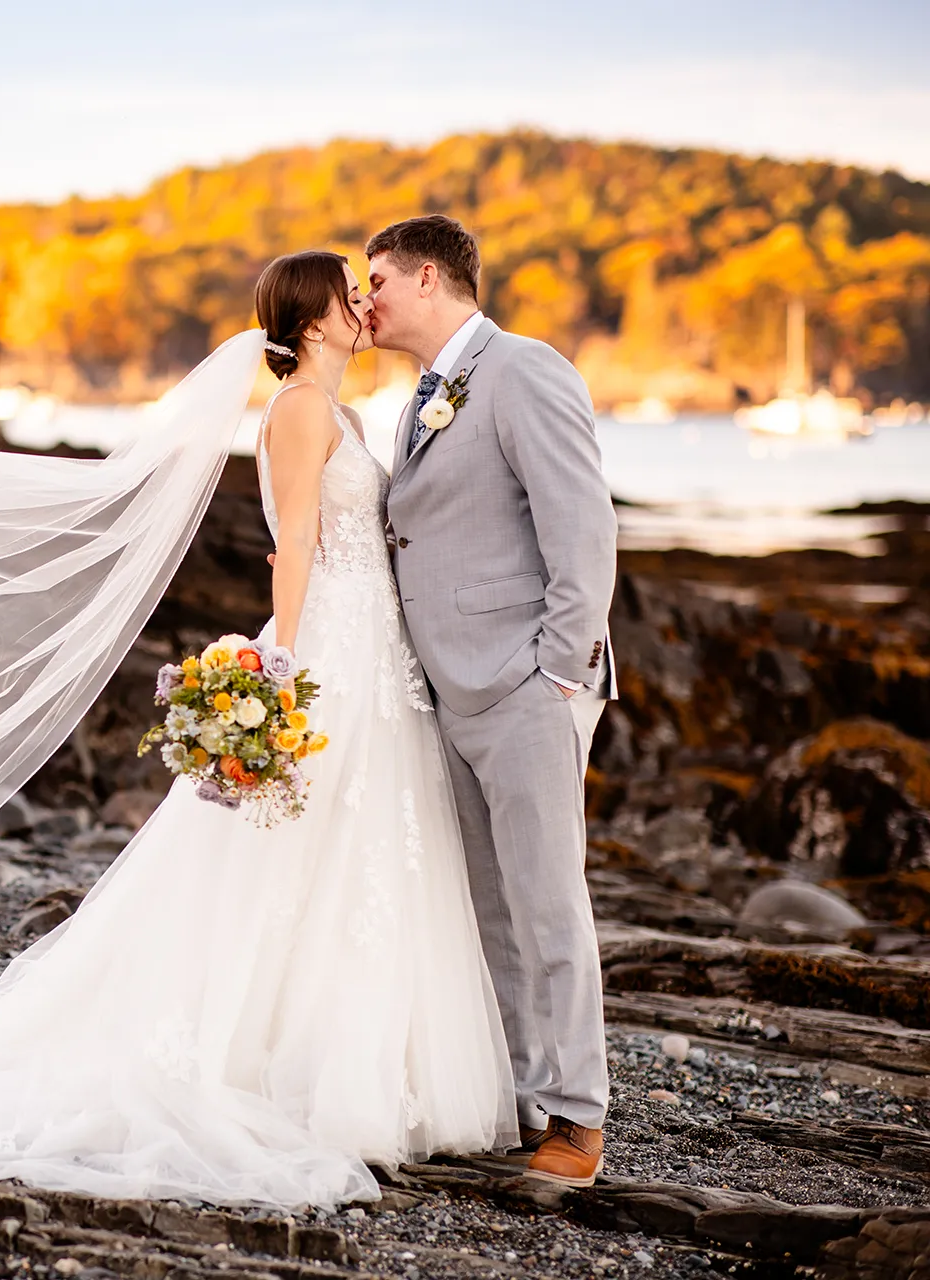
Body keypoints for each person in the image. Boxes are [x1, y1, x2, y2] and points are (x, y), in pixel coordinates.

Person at [0, 250, 518, 1209]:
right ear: (315, 318)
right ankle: (286, 1069)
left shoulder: (341, 411)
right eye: (351, 291)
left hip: (380, 656)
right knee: (297, 857)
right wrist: (285, 669)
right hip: (329, 646)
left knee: (363, 853)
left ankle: (359, 1068)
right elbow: (295, 547)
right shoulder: (296, 412)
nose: (366, 302)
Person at [367, 214, 619, 1187]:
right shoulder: (419, 400)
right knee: (492, 910)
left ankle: (580, 1117)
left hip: (521, 685)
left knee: (550, 903)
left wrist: (560, 668)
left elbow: (581, 521)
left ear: (429, 276)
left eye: (379, 277)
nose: (368, 296)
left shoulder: (524, 368)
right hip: (451, 689)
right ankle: (522, 1095)